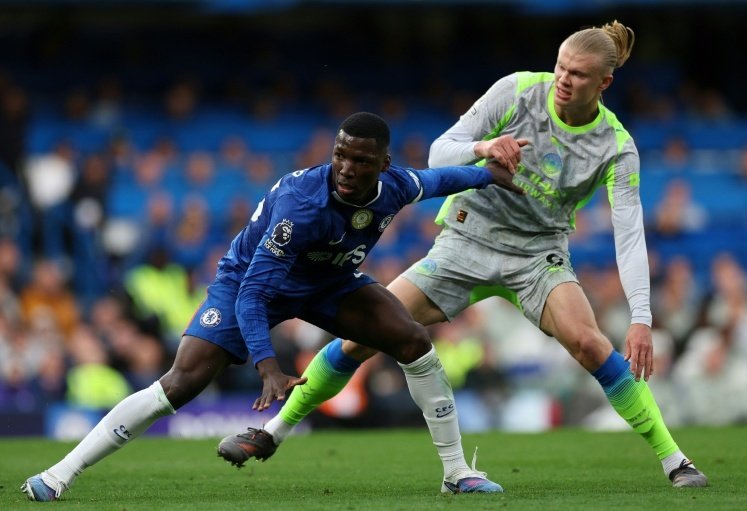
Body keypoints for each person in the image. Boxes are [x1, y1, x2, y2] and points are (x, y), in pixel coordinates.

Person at [218, 21, 708, 489]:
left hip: (537, 256)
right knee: (362, 338)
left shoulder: (616, 147)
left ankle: (675, 460)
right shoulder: (517, 90)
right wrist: (483, 147)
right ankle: (273, 431)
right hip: (465, 241)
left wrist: (640, 318)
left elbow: (629, 232)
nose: (563, 79)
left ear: (604, 83)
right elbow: (439, 152)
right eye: (560, 66)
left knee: (590, 343)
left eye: (578, 74)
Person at [21, 112, 522, 501]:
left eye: (361, 161)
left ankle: (456, 472)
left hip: (328, 282)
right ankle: (59, 473)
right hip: (247, 282)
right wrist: (268, 367)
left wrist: (487, 176)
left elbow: (438, 180)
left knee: (413, 339)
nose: (347, 169)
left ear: (383, 165)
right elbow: (254, 295)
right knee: (181, 383)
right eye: (341, 155)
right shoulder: (302, 207)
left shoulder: (395, 187)